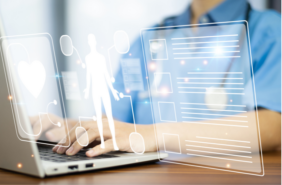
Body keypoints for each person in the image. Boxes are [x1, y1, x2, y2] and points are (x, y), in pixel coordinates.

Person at [32, 0, 281, 157]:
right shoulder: (148, 40)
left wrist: (154, 134)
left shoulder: (270, 30)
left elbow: (274, 126)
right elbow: (116, 125)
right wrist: (66, 129)